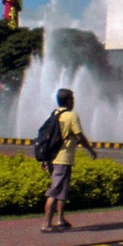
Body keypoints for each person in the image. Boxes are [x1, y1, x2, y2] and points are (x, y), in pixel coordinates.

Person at [42, 88, 97, 232]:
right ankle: (46, 224)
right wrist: (90, 150)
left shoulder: (54, 114)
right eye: (72, 99)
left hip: (53, 157)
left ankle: (60, 219)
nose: (74, 101)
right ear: (68, 101)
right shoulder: (71, 116)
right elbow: (79, 136)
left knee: (62, 191)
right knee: (54, 191)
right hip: (63, 158)